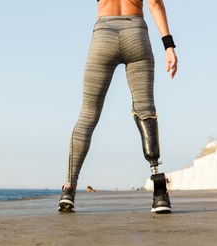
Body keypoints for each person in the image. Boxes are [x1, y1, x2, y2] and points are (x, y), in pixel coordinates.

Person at [58, 0, 178, 213]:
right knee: (146, 111)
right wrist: (168, 46)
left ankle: (69, 188)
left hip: (103, 35)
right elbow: (155, 4)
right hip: (136, 34)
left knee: (87, 116)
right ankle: (160, 192)